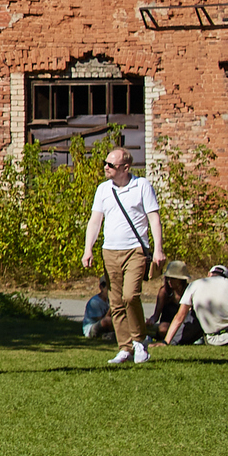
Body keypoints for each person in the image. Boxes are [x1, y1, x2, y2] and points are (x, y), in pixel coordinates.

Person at [80, 146, 165, 367]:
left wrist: (158, 249)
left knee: (130, 296)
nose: (105, 167)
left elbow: (154, 218)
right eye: (105, 163)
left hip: (135, 250)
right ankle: (125, 347)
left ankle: (139, 341)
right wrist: (88, 249)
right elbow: (95, 221)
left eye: (111, 165)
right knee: (116, 302)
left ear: (125, 168)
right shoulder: (103, 189)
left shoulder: (142, 186)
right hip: (110, 251)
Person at [163, 264, 228, 348]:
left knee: (194, 314)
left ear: (209, 274)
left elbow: (180, 317)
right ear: (226, 277)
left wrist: (166, 342)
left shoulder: (194, 285)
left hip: (214, 340)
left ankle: (176, 341)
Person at [148, 261, 193, 344]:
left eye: (173, 278)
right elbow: (156, 315)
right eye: (168, 278)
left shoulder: (189, 291)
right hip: (167, 325)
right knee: (163, 328)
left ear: (181, 280)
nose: (169, 281)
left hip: (185, 324)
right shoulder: (164, 292)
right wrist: (151, 321)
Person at [81, 274, 114, 340]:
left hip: (106, 326)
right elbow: (103, 321)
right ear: (101, 287)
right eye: (108, 288)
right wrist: (112, 307)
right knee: (107, 320)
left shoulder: (108, 300)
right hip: (92, 328)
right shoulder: (95, 302)